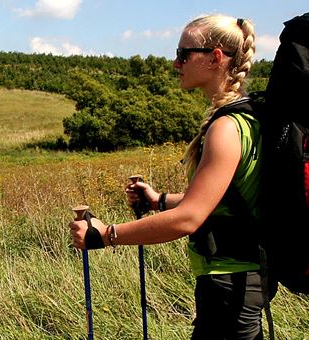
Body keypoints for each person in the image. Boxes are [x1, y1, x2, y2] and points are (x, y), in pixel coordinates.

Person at [68, 14, 272, 339]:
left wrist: (105, 234)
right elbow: (228, 200)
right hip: (244, 279)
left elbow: (188, 218)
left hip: (229, 283)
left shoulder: (226, 127)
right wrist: (159, 200)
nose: (176, 63)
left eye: (183, 54)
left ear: (215, 58)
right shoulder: (248, 117)